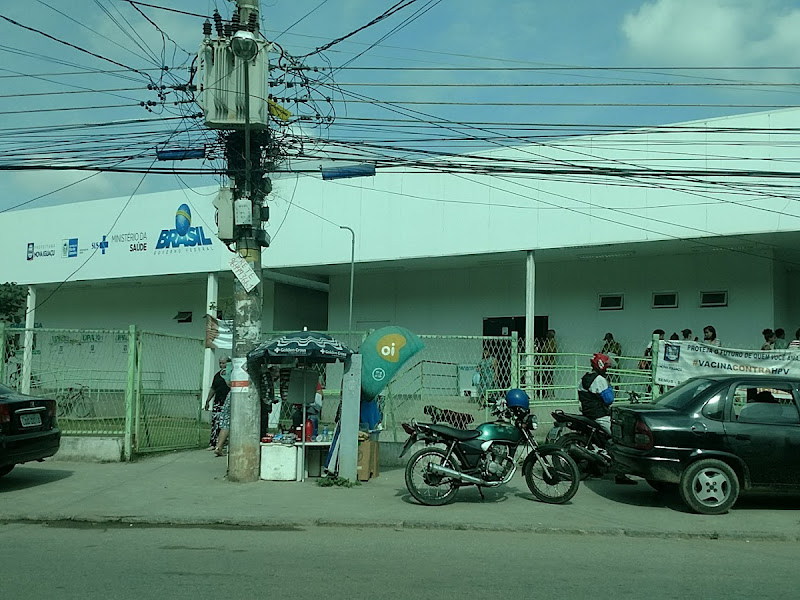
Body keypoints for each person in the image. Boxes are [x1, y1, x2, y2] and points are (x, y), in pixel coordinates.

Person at [577, 353, 636, 485]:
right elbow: (609, 400)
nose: (608, 369)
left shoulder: (584, 378)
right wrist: (609, 387)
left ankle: (597, 465)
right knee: (619, 439)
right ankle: (621, 474)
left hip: (588, 413)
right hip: (600, 415)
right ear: (601, 365)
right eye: (607, 366)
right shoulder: (600, 380)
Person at [204, 356, 231, 451]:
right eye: (220, 363)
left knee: (225, 424)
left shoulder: (232, 375)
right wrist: (207, 401)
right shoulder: (217, 376)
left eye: (224, 363)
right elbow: (213, 389)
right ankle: (214, 443)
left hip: (228, 402)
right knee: (216, 422)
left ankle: (224, 443)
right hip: (218, 402)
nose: (221, 365)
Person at [214, 360, 232, 457]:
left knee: (225, 423)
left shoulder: (228, 371)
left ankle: (219, 446)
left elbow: (228, 382)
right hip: (238, 395)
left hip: (230, 395)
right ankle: (221, 447)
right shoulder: (233, 369)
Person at [540, 329, 558, 397]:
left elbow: (550, 351)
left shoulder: (552, 342)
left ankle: (547, 393)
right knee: (546, 378)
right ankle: (546, 392)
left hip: (548, 362)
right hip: (547, 362)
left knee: (547, 378)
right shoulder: (548, 342)